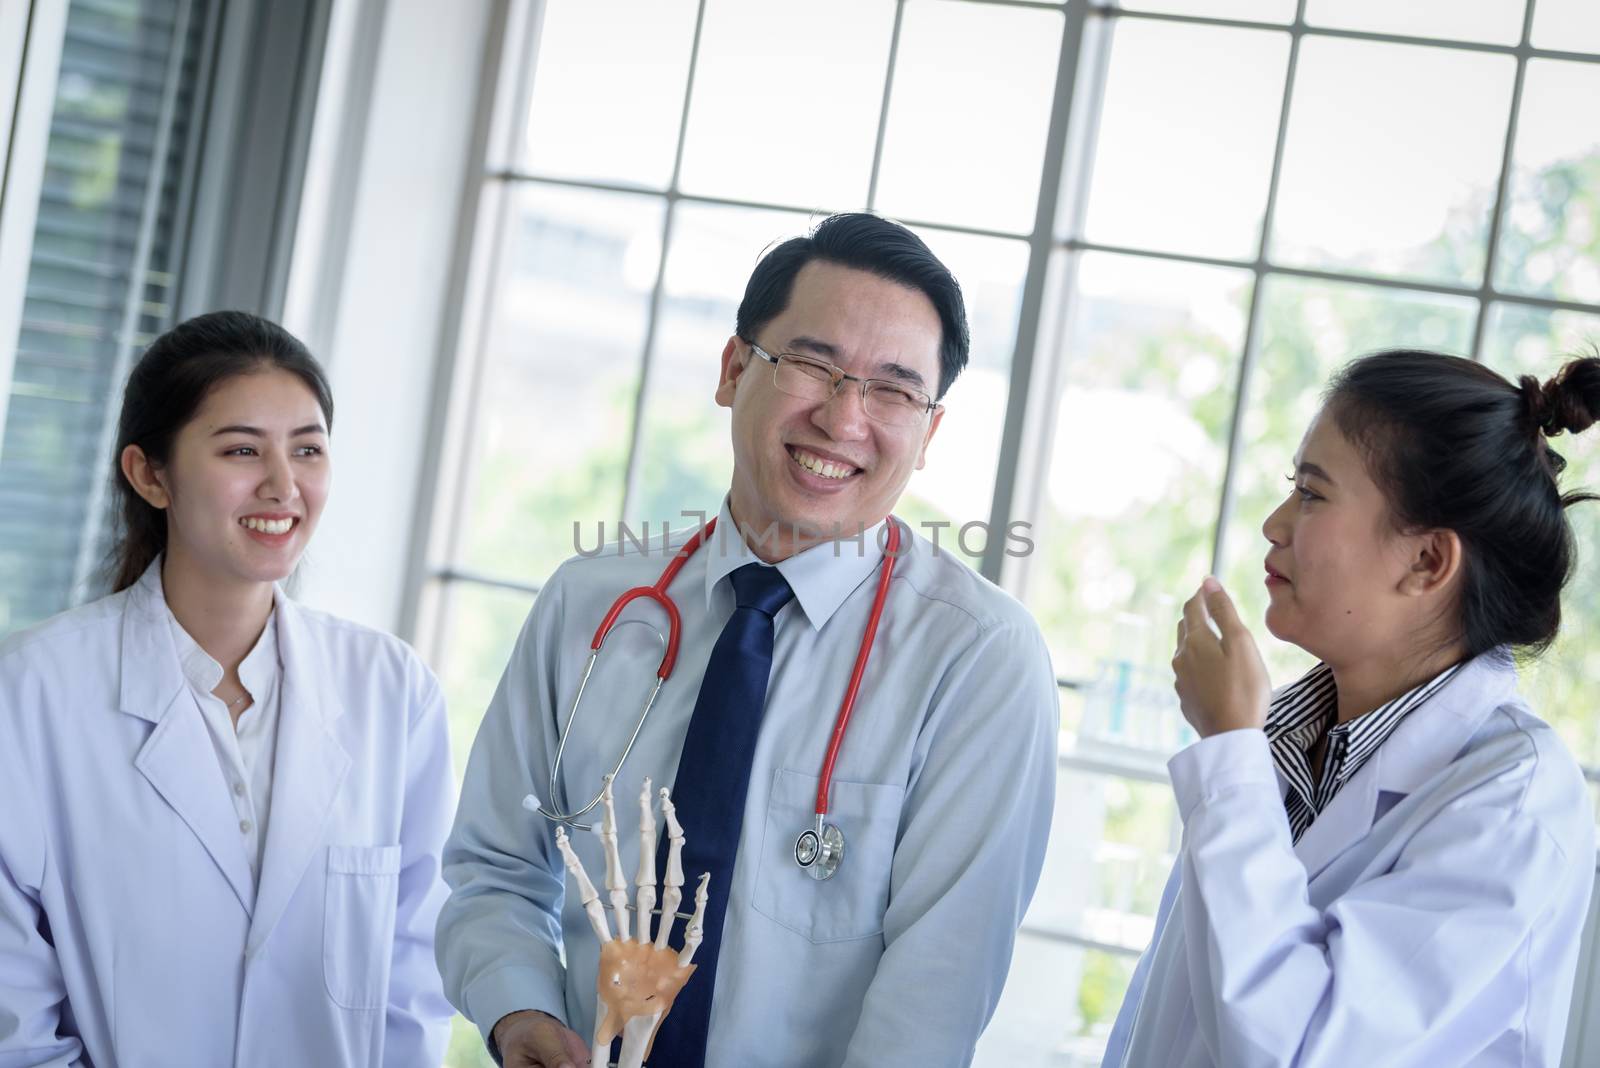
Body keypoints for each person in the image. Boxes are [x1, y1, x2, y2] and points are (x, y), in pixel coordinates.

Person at [436, 213, 1059, 1068]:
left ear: (928, 434)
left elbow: (933, 998)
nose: (844, 417)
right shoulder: (590, 606)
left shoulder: (978, 660)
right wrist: (517, 1011)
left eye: (892, 390)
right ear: (734, 369)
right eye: (812, 364)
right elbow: (497, 870)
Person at [1106, 350, 1600, 1067]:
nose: (1275, 525)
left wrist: (1230, 760)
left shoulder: (1516, 803)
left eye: (1312, 494)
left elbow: (1299, 1048)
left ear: (1427, 562)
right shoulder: (1279, 735)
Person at [0, 311, 457, 1066]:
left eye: (307, 449)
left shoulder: (391, 690)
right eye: (242, 449)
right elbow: (12, 1007)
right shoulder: (34, 691)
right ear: (150, 474)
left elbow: (413, 974)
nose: (283, 485)